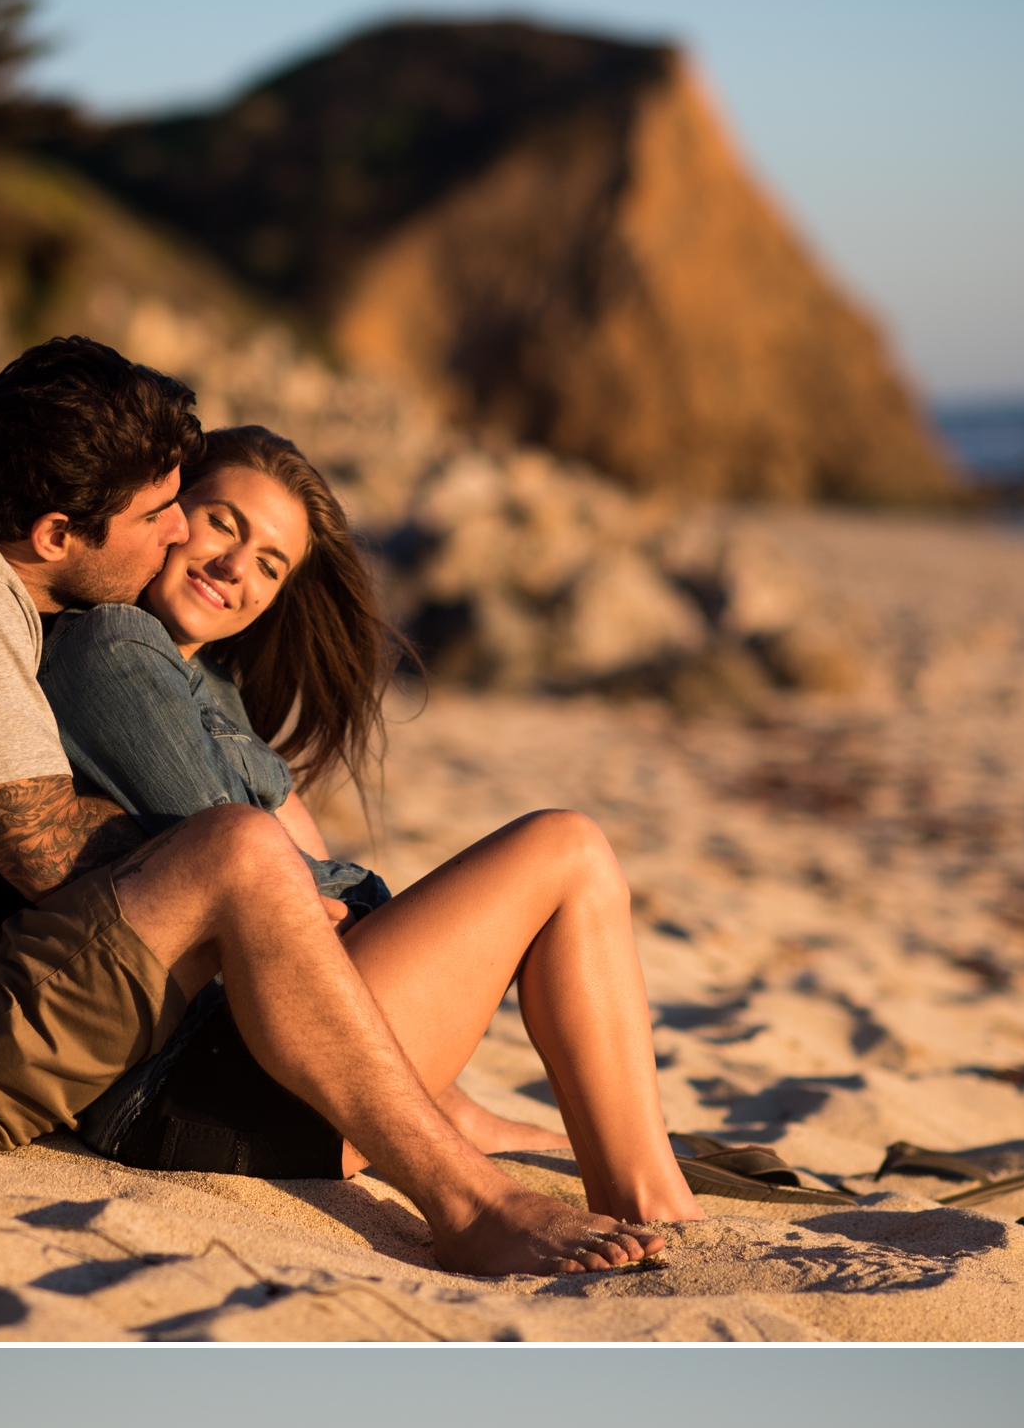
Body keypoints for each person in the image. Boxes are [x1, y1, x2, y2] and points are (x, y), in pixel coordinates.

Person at [0, 340, 658, 1284]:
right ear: (54, 533)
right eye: (161, 514)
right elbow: (42, 852)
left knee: (287, 854)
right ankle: (468, 1205)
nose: (176, 532)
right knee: (244, 851)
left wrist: (278, 889)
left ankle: (644, 1198)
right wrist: (274, 891)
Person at [42, 415, 701, 1239]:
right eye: (222, 523)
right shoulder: (109, 648)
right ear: (169, 510)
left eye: (270, 563)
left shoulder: (208, 685)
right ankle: (653, 1206)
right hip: (192, 1087)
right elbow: (270, 879)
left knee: (570, 862)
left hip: (266, 1056)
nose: (235, 567)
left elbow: (302, 877)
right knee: (566, 849)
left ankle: (626, 1185)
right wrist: (366, 911)